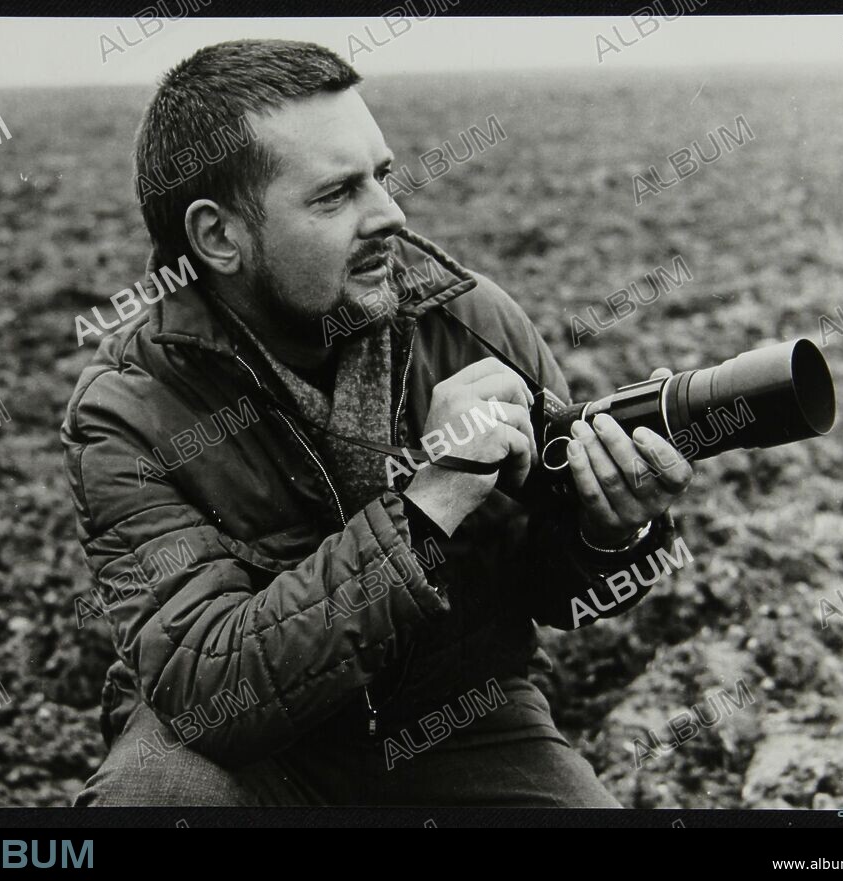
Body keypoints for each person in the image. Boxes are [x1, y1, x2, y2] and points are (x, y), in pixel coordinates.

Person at [61, 38, 694, 807]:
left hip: (461, 717)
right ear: (219, 237)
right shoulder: (128, 411)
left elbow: (552, 592)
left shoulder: (472, 321)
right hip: (244, 754)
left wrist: (610, 530)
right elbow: (208, 689)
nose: (390, 215)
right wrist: (430, 503)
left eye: (382, 177)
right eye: (336, 196)